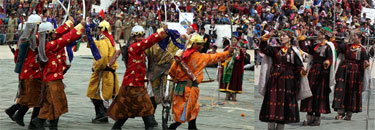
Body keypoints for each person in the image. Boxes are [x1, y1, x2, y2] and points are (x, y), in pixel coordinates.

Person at [107, 25, 169, 130]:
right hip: (133, 86)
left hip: (136, 84)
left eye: (142, 36)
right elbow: (149, 41)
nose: (141, 38)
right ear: (133, 37)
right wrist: (161, 32)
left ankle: (116, 128)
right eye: (138, 36)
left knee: (132, 110)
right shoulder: (135, 47)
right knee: (143, 110)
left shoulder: (136, 47)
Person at [168, 34, 234, 130]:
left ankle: (192, 127)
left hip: (180, 87)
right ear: (196, 45)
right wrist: (228, 53)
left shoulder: (181, 55)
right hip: (190, 89)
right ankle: (172, 127)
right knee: (186, 110)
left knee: (193, 108)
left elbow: (172, 71)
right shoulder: (200, 57)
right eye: (201, 45)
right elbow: (215, 57)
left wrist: (179, 78)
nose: (203, 46)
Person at [31, 18, 86, 130]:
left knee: (50, 103)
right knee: (58, 102)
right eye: (52, 33)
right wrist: (80, 26)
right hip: (53, 79)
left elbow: (59, 34)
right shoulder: (49, 45)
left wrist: (69, 23)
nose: (54, 34)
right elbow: (65, 39)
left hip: (51, 77)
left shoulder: (43, 44)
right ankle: (41, 122)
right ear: (48, 34)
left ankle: (44, 123)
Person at [258, 29, 309, 130]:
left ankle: (281, 126)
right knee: (272, 101)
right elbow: (264, 49)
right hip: (274, 80)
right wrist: (264, 39)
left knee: (285, 103)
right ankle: (271, 126)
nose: (281, 37)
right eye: (280, 36)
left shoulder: (294, 52)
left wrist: (302, 72)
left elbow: (298, 67)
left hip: (288, 82)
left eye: (284, 36)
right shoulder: (275, 50)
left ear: (289, 38)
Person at [5, 13, 43, 129]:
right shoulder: (36, 38)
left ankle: (14, 111)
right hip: (34, 71)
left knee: (28, 96)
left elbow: (17, 58)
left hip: (24, 71)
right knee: (38, 97)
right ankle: (31, 122)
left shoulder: (22, 39)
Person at [299, 27, 337, 126]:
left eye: (320, 33)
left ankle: (317, 118)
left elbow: (330, 58)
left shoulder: (329, 47)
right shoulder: (315, 46)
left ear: (324, 35)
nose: (318, 35)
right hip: (313, 72)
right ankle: (309, 117)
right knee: (310, 93)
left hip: (322, 73)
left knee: (319, 94)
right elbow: (305, 49)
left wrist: (327, 62)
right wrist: (302, 37)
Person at [332, 30, 370, 120]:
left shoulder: (362, 49)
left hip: (355, 73)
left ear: (360, 38)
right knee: (341, 90)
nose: (354, 37)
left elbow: (365, 61)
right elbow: (337, 49)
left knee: (352, 92)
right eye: (354, 35)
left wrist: (366, 64)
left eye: (356, 36)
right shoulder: (347, 46)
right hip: (344, 71)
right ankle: (340, 113)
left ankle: (349, 113)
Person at [86, 20, 119, 124]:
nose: (98, 31)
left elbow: (102, 58)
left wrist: (96, 67)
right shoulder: (109, 40)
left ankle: (101, 115)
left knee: (96, 95)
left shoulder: (104, 41)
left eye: (99, 29)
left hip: (103, 73)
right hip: (107, 74)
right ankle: (102, 115)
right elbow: (96, 46)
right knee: (101, 95)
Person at [145, 38, 180, 129]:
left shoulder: (175, 44)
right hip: (154, 74)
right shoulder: (152, 44)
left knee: (167, 99)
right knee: (151, 97)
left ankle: (164, 124)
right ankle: (150, 120)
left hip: (168, 75)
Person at [219, 36, 245, 101]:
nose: (233, 41)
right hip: (228, 68)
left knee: (234, 81)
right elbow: (223, 56)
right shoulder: (227, 48)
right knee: (228, 80)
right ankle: (227, 94)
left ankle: (233, 94)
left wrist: (235, 58)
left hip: (236, 68)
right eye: (232, 40)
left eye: (235, 40)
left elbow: (241, 58)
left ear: (237, 41)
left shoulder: (239, 49)